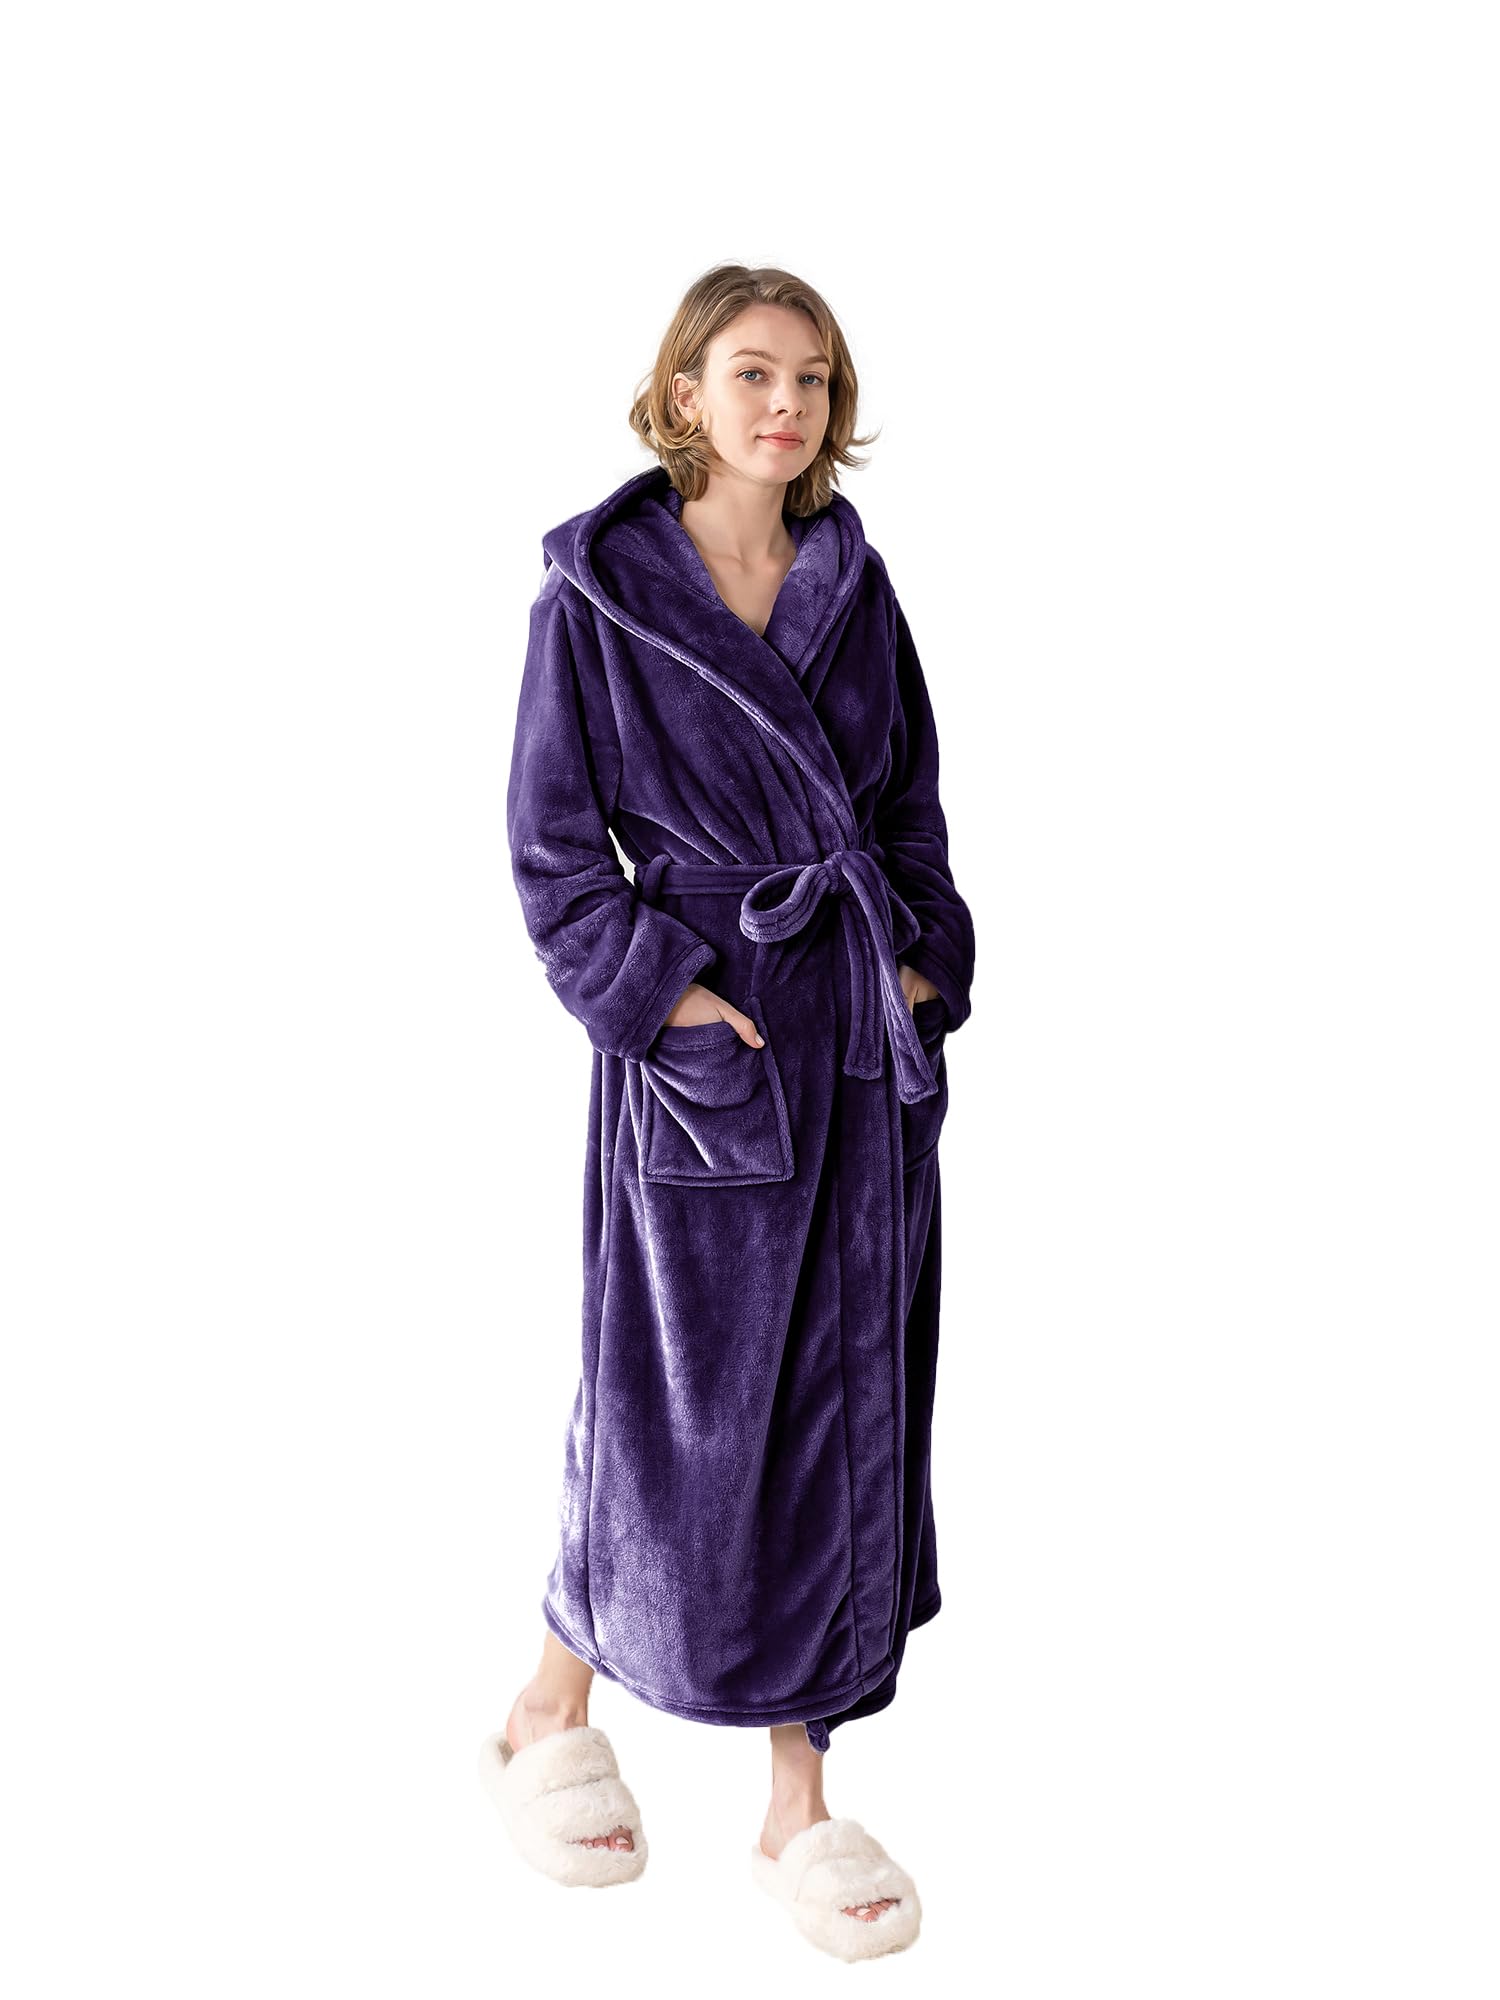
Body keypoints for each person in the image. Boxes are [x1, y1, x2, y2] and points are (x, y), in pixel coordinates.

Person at [479, 264, 976, 1959]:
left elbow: (909, 811)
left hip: (857, 1048)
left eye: (813, 379)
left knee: (849, 1404)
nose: (788, 405)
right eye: (753, 373)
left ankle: (795, 1807)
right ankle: (550, 1704)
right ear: (683, 391)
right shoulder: (598, 595)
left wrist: (919, 965)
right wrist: (671, 1002)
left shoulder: (852, 582)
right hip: (713, 1050)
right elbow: (556, 855)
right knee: (675, 1402)